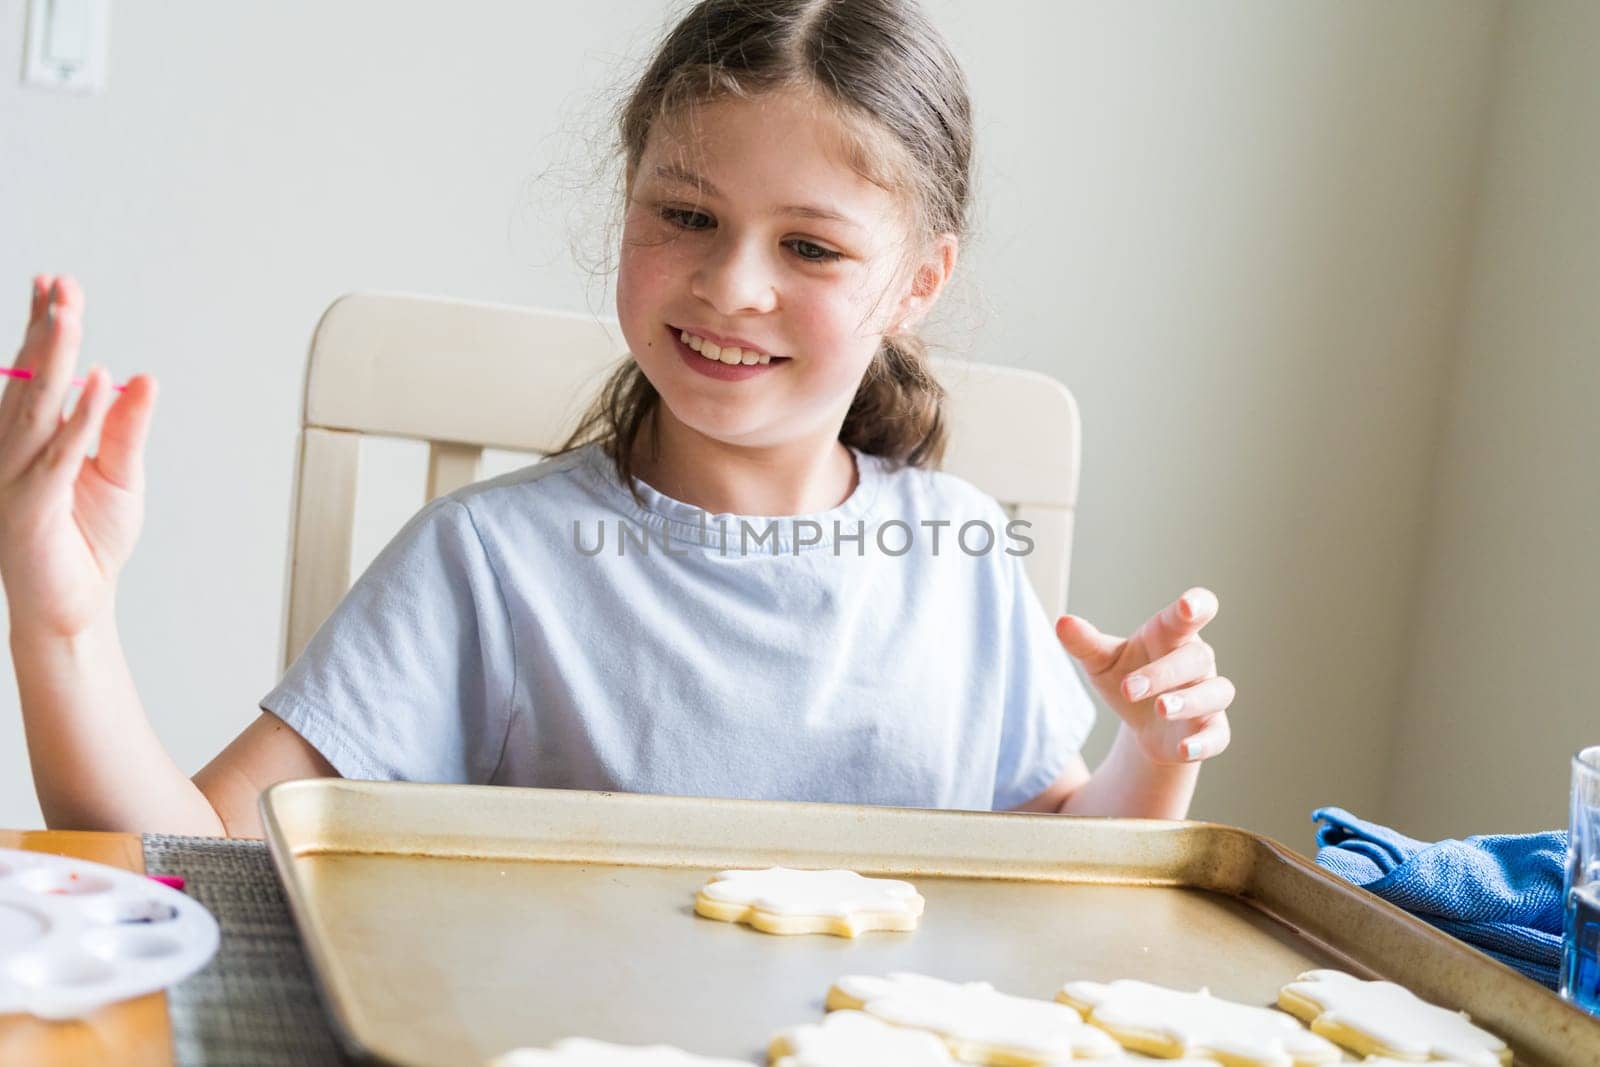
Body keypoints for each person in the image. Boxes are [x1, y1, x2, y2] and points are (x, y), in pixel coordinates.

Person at [0, 0, 1234, 840]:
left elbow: (1067, 872)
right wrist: (62, 620)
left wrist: (1153, 751)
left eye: (807, 245)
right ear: (628, 199)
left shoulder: (958, 556)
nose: (731, 284)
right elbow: (191, 856)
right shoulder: (488, 565)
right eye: (686, 215)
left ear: (916, 285)